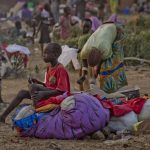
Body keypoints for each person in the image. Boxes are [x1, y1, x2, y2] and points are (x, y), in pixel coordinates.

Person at [0, 43, 70, 123]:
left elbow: (62, 91)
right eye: (43, 53)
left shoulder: (61, 69)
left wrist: (43, 94)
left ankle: (36, 111)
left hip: (57, 97)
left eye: (46, 53)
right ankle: (3, 116)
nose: (43, 55)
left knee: (33, 87)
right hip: (49, 94)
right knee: (22, 93)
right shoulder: (49, 68)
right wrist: (38, 82)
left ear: (55, 54)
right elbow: (48, 86)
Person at [78, 20, 128, 93]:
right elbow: (84, 61)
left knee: (109, 64)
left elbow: (101, 62)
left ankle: (115, 86)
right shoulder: (85, 50)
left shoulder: (105, 49)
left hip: (117, 29)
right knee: (104, 69)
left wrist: (95, 75)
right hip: (103, 28)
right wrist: (84, 75)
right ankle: (109, 87)